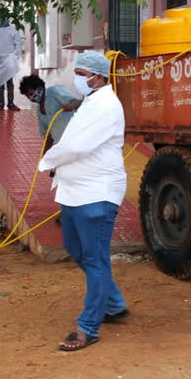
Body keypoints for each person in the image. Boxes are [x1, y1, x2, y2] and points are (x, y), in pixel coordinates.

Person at [38, 51, 128, 351]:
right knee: (76, 249)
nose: (77, 79)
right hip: (74, 190)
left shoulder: (106, 105)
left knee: (95, 257)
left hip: (97, 192)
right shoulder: (91, 102)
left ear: (97, 77)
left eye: (80, 73)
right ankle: (113, 304)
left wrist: (46, 161)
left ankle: (88, 327)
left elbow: (77, 145)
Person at [18, 74, 81, 155]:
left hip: (77, 141)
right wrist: (43, 159)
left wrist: (73, 105)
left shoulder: (55, 91)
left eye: (31, 94)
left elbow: (78, 102)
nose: (31, 98)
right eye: (28, 96)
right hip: (62, 148)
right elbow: (48, 137)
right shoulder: (40, 112)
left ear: (40, 89)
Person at [0, 18, 23, 111]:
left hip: (9, 58)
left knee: (9, 81)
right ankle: (1, 103)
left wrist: (15, 56)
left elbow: (18, 43)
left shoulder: (13, 30)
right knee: (0, 82)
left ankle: (10, 103)